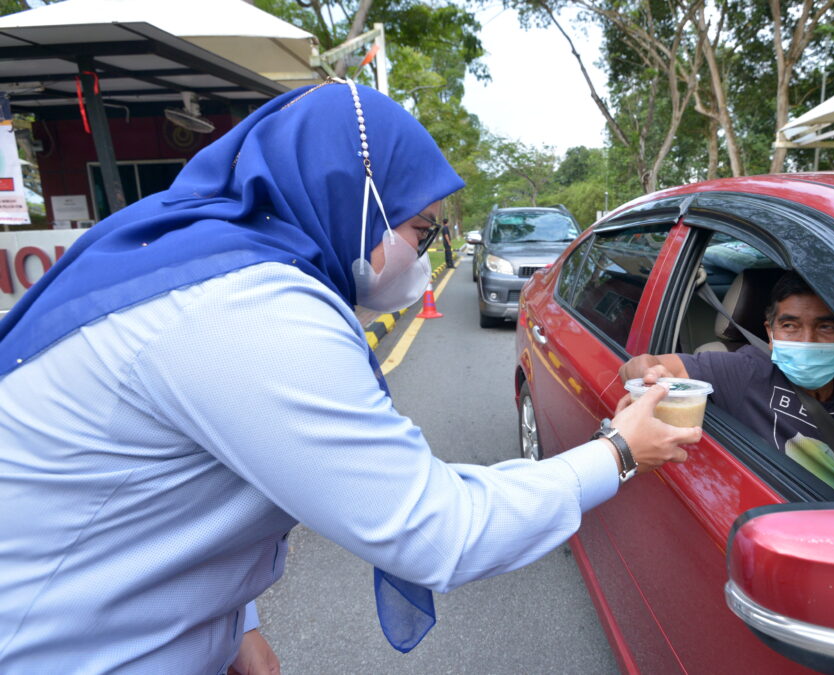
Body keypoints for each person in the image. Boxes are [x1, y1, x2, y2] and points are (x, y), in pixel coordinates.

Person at [0, 80, 699, 672]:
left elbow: (167, 465)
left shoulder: (195, 253)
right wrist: (618, 450)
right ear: (352, 195)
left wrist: (231, 618)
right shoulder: (249, 306)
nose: (423, 260)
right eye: (419, 232)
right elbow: (437, 528)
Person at [620, 271, 834, 499]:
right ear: (770, 335)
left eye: (826, 327)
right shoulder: (744, 371)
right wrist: (644, 373)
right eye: (790, 327)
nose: (807, 341)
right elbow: (648, 364)